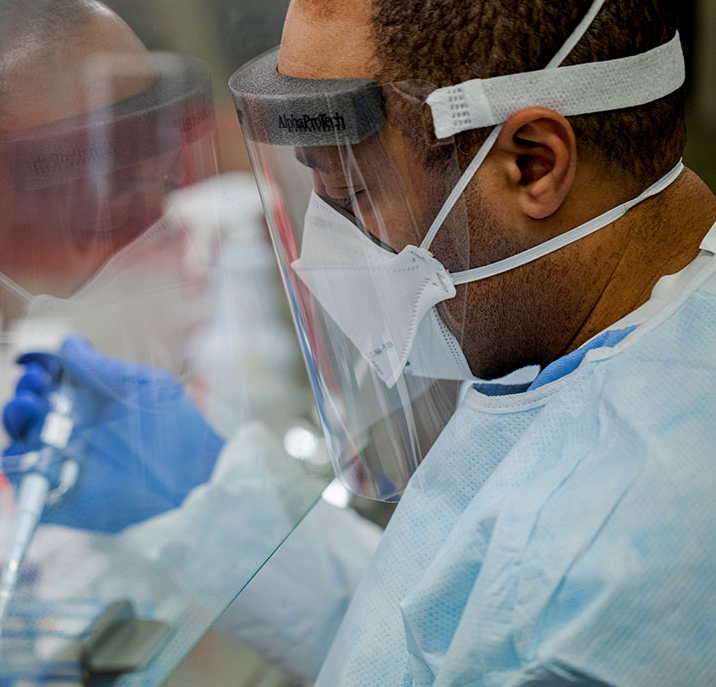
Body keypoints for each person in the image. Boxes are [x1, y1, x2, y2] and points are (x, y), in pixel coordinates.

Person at [0, 0, 381, 682]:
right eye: (104, 194)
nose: (166, 235)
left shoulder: (128, 405)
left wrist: (216, 496)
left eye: (164, 173)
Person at [221, 0, 716, 683]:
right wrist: (205, 509)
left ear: (532, 164)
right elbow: (427, 629)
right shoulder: (603, 340)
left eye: (353, 191)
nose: (323, 251)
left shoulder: (608, 580)